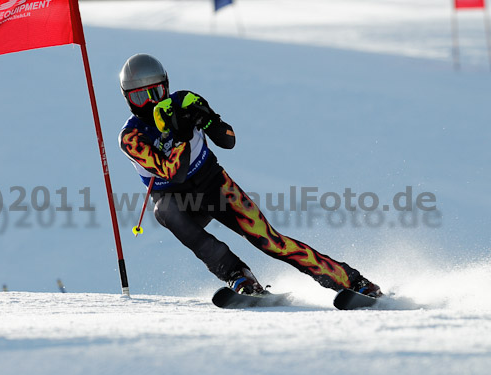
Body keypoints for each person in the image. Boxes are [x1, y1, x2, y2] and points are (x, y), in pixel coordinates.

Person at [117, 53, 382, 298]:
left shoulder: (184, 100)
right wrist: (181, 135)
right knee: (165, 211)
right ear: (128, 100)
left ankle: (352, 281)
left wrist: (208, 119)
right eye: (141, 98)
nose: (151, 103)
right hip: (177, 200)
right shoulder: (132, 137)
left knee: (270, 241)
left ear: (166, 85)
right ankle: (238, 275)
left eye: (157, 92)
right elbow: (175, 173)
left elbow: (228, 140)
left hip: (214, 186)